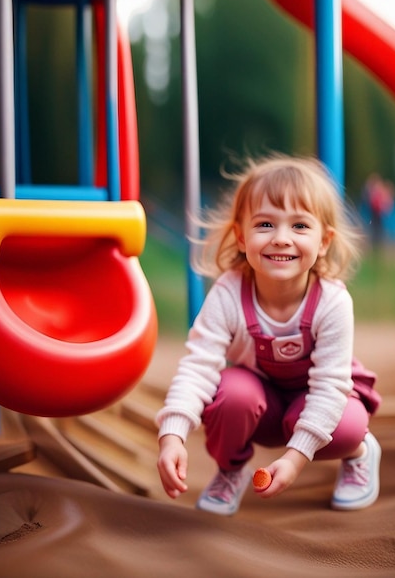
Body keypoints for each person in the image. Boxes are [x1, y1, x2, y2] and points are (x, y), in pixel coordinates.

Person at [156, 155, 382, 516]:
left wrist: (294, 460)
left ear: (324, 242)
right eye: (265, 224)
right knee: (231, 394)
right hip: (263, 405)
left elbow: (328, 387)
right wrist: (172, 437)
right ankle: (231, 471)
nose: (281, 239)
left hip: (319, 401)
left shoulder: (332, 301)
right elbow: (198, 367)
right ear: (241, 237)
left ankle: (359, 453)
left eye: (299, 227)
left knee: (347, 425)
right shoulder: (229, 294)